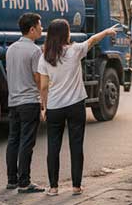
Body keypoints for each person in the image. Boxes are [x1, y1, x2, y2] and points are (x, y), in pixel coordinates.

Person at [38, 20, 117, 196]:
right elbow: (93, 40)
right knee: (76, 145)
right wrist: (106, 32)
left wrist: (43, 106)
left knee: (53, 146)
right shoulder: (75, 50)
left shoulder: (44, 57)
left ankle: (53, 188)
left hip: (55, 106)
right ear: (66, 34)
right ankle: (76, 186)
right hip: (75, 105)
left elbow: (43, 86)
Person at [4, 13, 45, 194]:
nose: (42, 29)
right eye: (40, 26)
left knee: (13, 140)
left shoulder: (11, 49)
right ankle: (24, 182)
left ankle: (12, 180)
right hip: (29, 101)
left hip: (13, 102)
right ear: (32, 29)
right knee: (26, 143)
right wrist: (44, 100)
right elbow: (38, 78)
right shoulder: (35, 51)